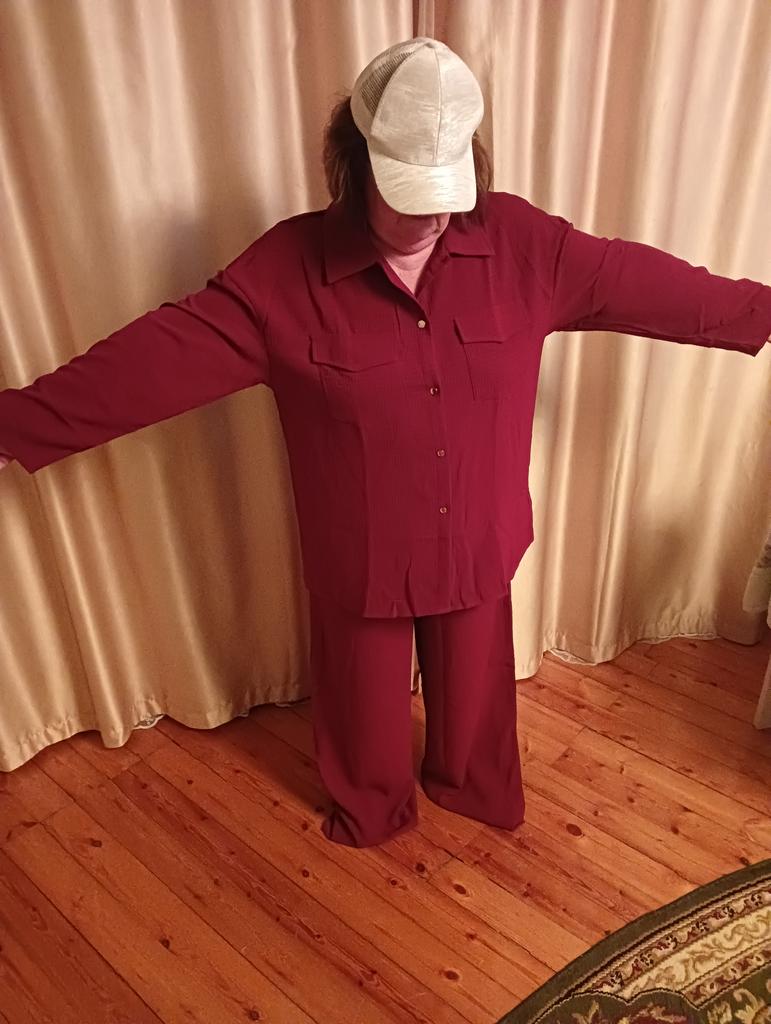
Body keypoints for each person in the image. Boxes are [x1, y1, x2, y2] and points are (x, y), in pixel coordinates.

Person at [1, 38, 769, 848]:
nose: (433, 216)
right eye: (408, 195)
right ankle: (371, 806)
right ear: (356, 164)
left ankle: (468, 782)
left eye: (447, 193)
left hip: (475, 537)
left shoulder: (523, 245)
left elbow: (657, 288)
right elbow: (147, 365)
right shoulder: (283, 272)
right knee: (361, 716)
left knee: (475, 702)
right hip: (360, 554)